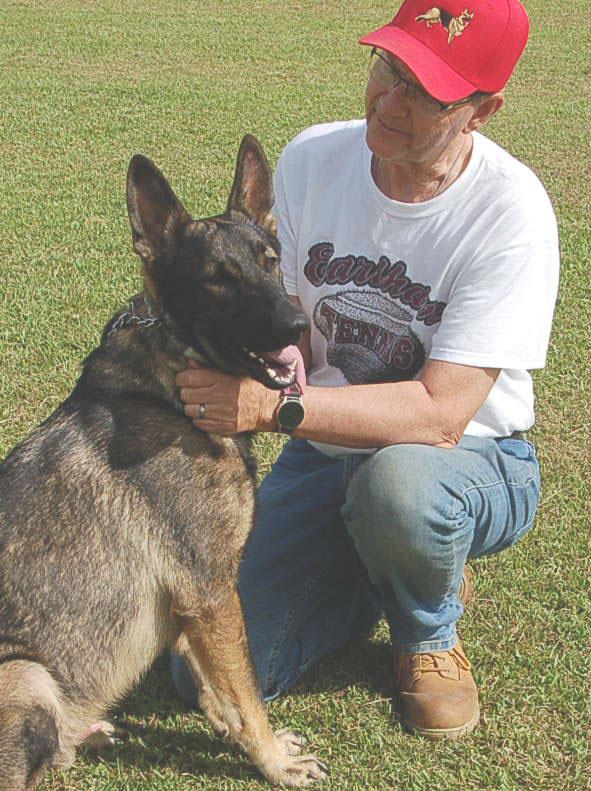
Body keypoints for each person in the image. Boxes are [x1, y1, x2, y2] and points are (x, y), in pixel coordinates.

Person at [171, 0, 559, 739]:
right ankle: (389, 559)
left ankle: (428, 633)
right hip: (327, 450)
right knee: (204, 675)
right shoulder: (313, 159)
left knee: (398, 487)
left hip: (470, 457)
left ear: (482, 110)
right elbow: (291, 329)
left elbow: (441, 414)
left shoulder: (510, 213)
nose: (389, 101)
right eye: (387, 67)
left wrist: (269, 408)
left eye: (425, 91)